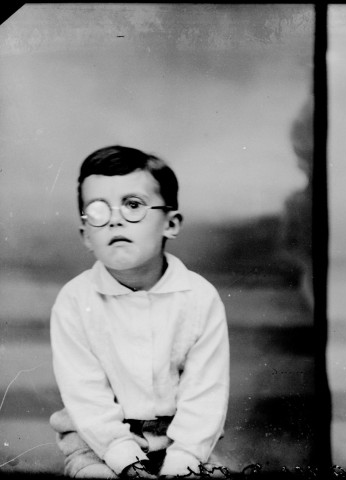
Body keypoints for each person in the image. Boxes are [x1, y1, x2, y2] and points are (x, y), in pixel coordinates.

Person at [49, 146, 230, 478]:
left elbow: (205, 396)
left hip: (181, 439)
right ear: (86, 235)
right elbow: (86, 397)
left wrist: (182, 462)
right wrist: (126, 462)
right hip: (96, 440)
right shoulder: (74, 301)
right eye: (98, 210)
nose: (115, 219)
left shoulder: (200, 298)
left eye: (133, 205)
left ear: (170, 223)